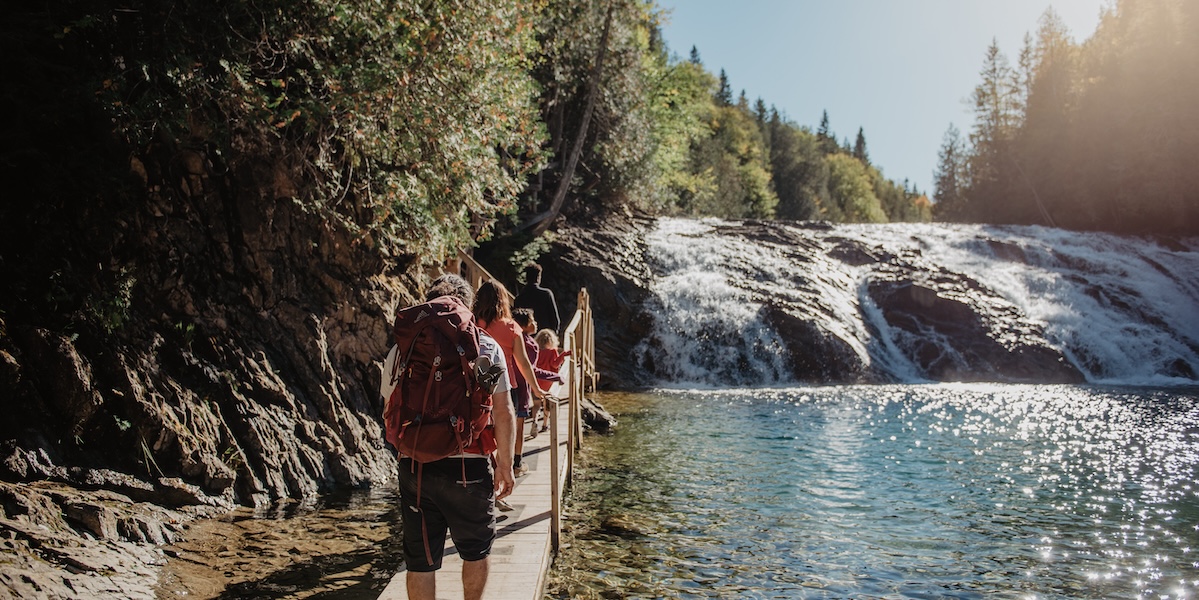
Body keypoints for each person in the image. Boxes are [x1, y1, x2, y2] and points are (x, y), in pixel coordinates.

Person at [396, 274, 517, 600]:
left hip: (416, 467)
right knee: (476, 551)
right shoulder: (486, 343)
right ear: (467, 305)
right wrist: (506, 465)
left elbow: (390, 406)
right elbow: (504, 411)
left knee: (420, 562)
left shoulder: (404, 346)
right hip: (470, 465)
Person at [473, 280, 547, 479]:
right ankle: (503, 474)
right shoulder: (511, 327)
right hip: (505, 387)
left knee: (481, 433)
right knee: (503, 432)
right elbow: (524, 364)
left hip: (475, 387)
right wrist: (538, 390)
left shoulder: (471, 323)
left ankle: (484, 474)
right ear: (503, 301)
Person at [533, 328, 571, 434]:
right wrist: (563, 355)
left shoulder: (536, 350)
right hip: (548, 383)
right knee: (547, 404)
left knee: (536, 405)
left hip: (536, 381)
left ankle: (534, 421)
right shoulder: (552, 351)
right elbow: (555, 364)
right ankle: (545, 425)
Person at [513, 264, 561, 337]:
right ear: (538, 277)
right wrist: (553, 337)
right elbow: (555, 320)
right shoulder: (546, 294)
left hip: (526, 340)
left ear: (526, 277)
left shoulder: (519, 298)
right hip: (544, 339)